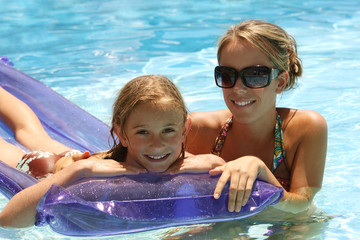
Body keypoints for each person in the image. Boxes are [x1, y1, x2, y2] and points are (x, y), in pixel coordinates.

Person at [0, 76, 225, 228]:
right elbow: (7, 219)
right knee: (28, 132)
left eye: (168, 130)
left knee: (33, 134)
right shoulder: (86, 172)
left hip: (89, 158)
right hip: (46, 168)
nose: (157, 144)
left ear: (185, 129)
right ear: (122, 134)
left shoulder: (202, 165)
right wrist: (78, 169)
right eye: (143, 132)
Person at [185, 20, 328, 215]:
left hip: (289, 225)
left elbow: (301, 204)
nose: (238, 88)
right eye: (227, 75)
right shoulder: (199, 129)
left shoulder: (305, 127)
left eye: (255, 75)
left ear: (280, 82)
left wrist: (260, 169)